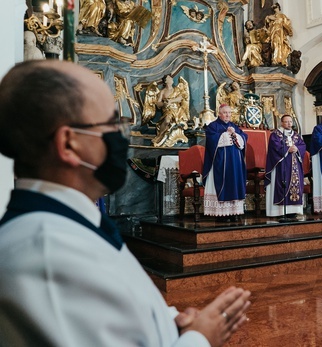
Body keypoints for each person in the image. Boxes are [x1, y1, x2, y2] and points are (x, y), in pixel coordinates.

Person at [0, 60, 251, 346]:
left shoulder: (73, 223)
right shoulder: (46, 257)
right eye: (111, 123)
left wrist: (170, 325)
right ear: (69, 144)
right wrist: (201, 338)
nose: (122, 135)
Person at [203, 104, 248, 222]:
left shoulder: (234, 126)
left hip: (235, 163)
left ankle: (234, 212)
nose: (227, 115)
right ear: (219, 113)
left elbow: (244, 137)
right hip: (220, 162)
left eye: (229, 113)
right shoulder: (213, 126)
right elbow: (211, 141)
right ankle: (221, 214)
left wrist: (236, 135)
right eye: (225, 113)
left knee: (234, 183)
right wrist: (225, 134)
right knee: (223, 182)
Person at [265, 115, 306, 217]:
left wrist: (297, 148)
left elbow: (303, 146)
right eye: (286, 122)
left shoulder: (296, 135)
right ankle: (280, 211)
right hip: (281, 165)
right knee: (282, 184)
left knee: (296, 184)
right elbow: (274, 147)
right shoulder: (275, 135)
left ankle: (293, 210)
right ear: (282, 123)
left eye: (290, 122)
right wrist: (288, 149)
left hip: (295, 164)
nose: (289, 124)